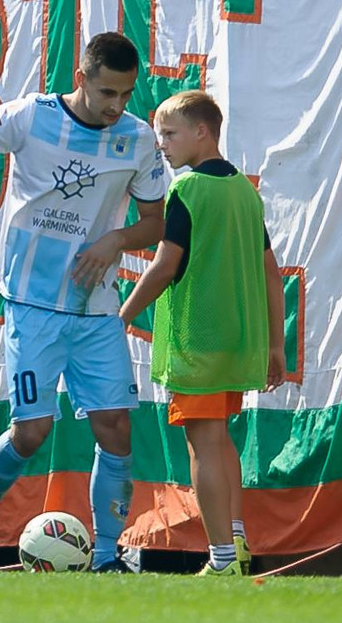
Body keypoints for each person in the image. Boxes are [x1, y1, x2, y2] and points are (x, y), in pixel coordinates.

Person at [0, 32, 166, 573]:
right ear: (81, 79)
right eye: (107, 92)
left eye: (126, 94)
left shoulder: (138, 140)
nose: (117, 106)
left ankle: (107, 558)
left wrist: (116, 241)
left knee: (116, 428)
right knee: (31, 432)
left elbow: (154, 222)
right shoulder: (32, 115)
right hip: (31, 302)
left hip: (95, 308)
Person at [119, 90, 285, 576]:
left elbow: (165, 265)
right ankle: (236, 541)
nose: (162, 145)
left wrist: (122, 315)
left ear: (202, 132)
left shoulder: (187, 190)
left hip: (199, 343)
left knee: (203, 444)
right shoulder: (245, 191)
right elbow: (270, 273)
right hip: (238, 343)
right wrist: (275, 343)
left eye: (169, 134)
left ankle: (223, 560)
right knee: (220, 441)